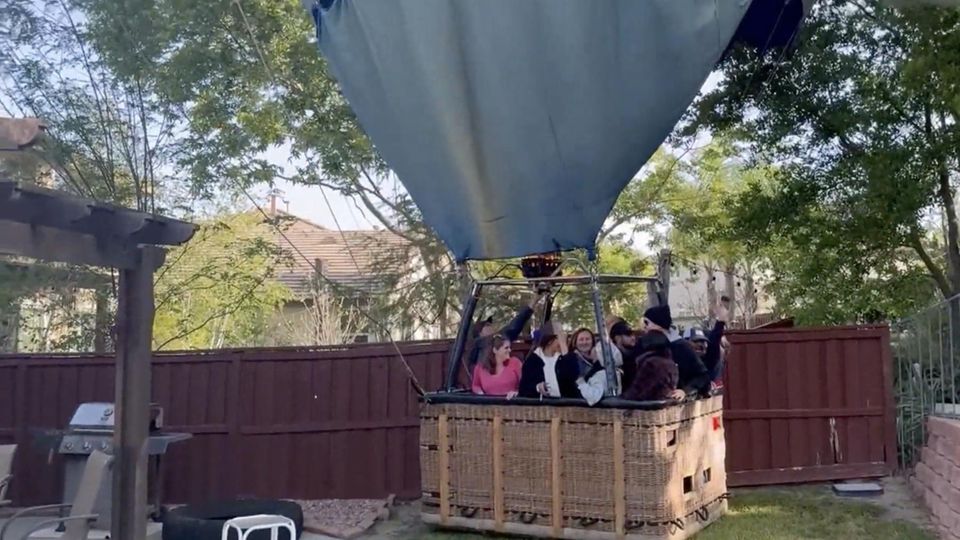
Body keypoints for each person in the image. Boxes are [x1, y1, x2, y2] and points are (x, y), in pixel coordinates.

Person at [466, 291, 546, 374]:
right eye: (487, 325)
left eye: (490, 324)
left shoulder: (499, 340)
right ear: (480, 333)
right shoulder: (480, 345)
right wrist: (533, 302)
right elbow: (516, 324)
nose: (491, 326)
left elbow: (517, 324)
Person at [642, 304, 711, 396]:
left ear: (658, 325)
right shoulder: (646, 346)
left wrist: (685, 391)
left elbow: (703, 376)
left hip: (680, 402)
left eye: (647, 323)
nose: (644, 327)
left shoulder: (681, 347)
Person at [622, 331, 684, 402]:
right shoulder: (671, 363)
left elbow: (637, 391)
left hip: (650, 404)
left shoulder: (650, 363)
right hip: (666, 401)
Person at [519, 326, 578, 399]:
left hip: (568, 405)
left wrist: (564, 348)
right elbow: (523, 389)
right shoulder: (533, 361)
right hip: (543, 407)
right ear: (550, 341)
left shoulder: (564, 358)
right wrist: (537, 387)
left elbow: (574, 376)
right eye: (559, 337)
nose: (563, 340)